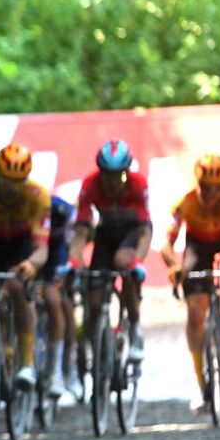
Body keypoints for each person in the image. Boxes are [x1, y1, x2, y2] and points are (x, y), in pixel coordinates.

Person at [160, 153, 220, 413]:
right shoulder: (185, 203)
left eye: (216, 188)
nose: (211, 194)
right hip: (198, 245)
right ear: (197, 184)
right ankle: (200, 382)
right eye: (205, 187)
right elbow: (167, 243)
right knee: (195, 312)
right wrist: (174, 266)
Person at [0, 143, 50, 390]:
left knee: (18, 289)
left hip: (21, 245)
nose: (12, 189)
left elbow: (42, 247)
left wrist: (31, 263)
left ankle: (27, 363)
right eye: (7, 183)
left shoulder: (38, 195)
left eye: (19, 183)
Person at [68, 139, 152, 363]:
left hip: (132, 232)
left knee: (124, 262)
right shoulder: (90, 184)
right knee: (94, 300)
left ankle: (135, 328)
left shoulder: (138, 184)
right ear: (100, 173)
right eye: (107, 176)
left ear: (127, 172)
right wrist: (75, 261)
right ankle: (101, 353)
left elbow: (145, 230)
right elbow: (81, 231)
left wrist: (138, 261)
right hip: (106, 234)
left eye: (119, 176)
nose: (113, 183)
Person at [38, 195, 78, 400]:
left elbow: (75, 241)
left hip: (59, 247)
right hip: (35, 244)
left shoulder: (62, 210)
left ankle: (63, 367)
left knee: (58, 299)